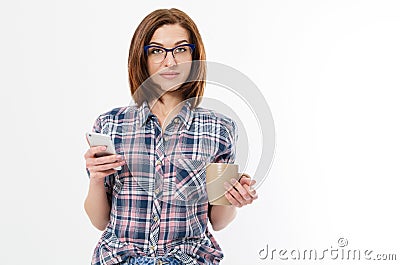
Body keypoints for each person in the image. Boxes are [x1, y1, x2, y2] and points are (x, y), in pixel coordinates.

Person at [84, 8, 258, 265]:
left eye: (180, 49)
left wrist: (234, 198)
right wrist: (97, 178)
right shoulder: (111, 124)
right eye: (157, 50)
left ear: (193, 56)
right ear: (142, 58)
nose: (170, 61)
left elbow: (219, 221)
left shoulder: (218, 128)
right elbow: (100, 221)